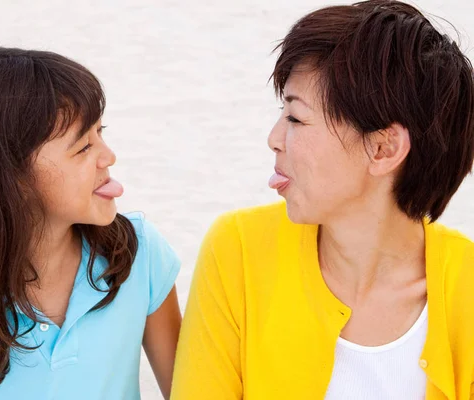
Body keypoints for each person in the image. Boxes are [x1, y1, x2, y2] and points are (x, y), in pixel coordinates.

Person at [171, 1, 474, 399]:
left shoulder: (465, 289)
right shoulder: (239, 250)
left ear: (383, 149)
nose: (274, 138)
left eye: (296, 118)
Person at [0, 47, 182, 400]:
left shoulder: (139, 252)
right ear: (10, 179)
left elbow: (188, 389)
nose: (108, 156)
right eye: (84, 147)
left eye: (101, 132)